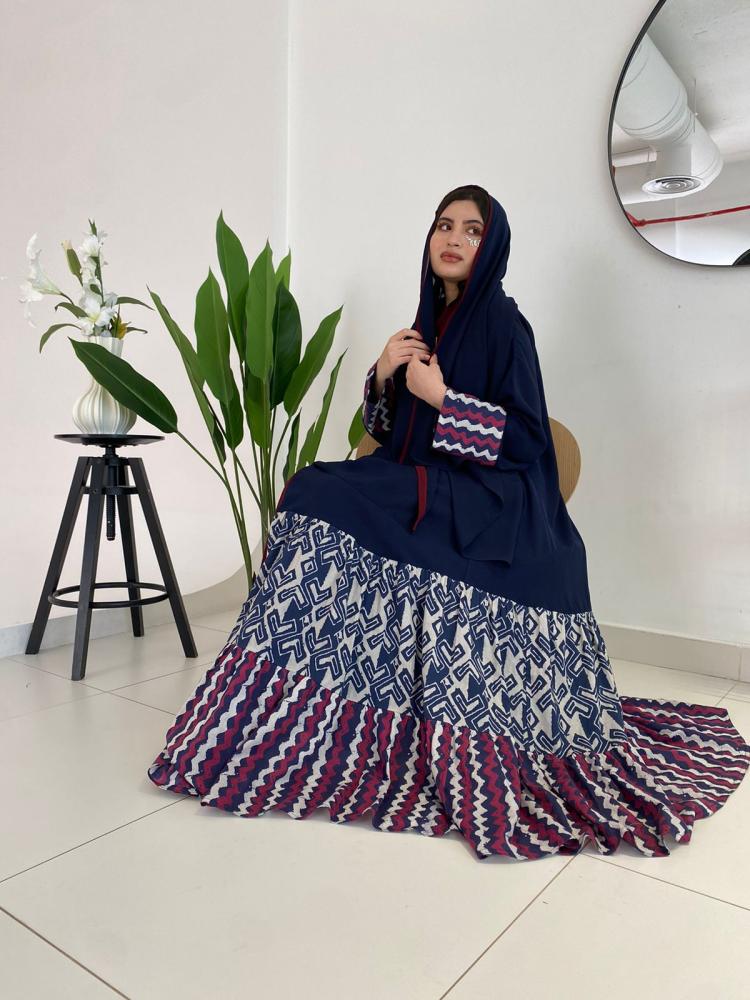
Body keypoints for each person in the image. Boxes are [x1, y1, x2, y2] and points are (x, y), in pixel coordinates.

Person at [147, 184, 750, 861]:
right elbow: (391, 433)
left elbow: (527, 439)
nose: (453, 238)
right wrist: (383, 374)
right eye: (443, 225)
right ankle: (281, 712)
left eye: (471, 229)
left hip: (491, 499)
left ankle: (300, 712)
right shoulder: (425, 325)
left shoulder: (504, 324)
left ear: (492, 247)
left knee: (320, 493)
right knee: (312, 490)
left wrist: (444, 398)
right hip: (429, 482)